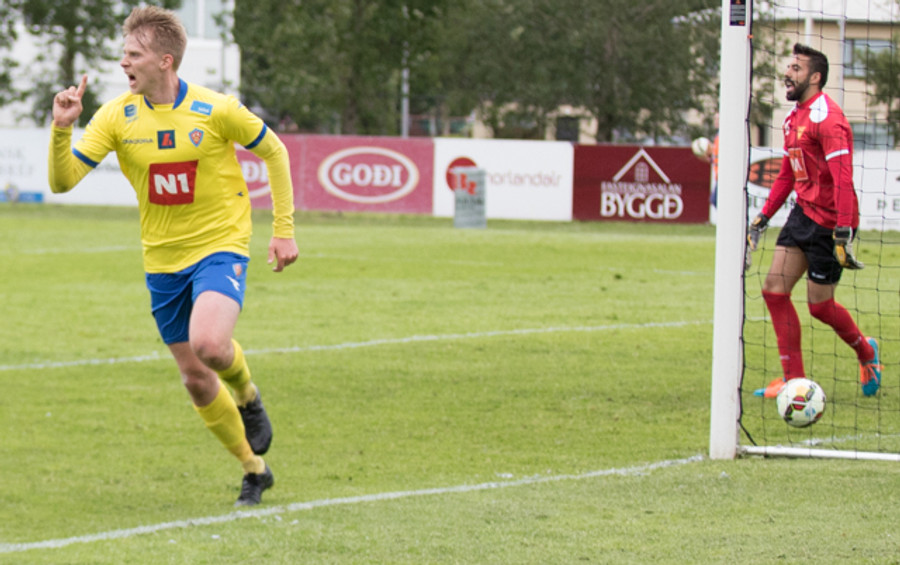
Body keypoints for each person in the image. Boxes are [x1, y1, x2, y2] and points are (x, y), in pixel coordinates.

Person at [48, 5, 298, 506]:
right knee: (195, 379)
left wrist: (283, 231)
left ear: (165, 61)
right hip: (162, 260)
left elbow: (275, 151)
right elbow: (62, 182)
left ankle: (247, 395)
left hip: (219, 245)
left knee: (210, 345)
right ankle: (254, 469)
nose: (124, 62)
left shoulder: (216, 109)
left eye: (133, 54)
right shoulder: (116, 116)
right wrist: (61, 129)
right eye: (123, 53)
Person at [746, 43, 880, 399]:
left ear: (815, 77)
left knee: (820, 306)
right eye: (789, 67)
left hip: (831, 223)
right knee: (774, 289)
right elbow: (788, 174)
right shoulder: (793, 118)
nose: (787, 73)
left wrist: (843, 231)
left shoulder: (828, 118)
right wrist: (763, 217)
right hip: (802, 214)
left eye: (796, 68)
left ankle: (866, 352)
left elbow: (843, 178)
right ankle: (795, 382)